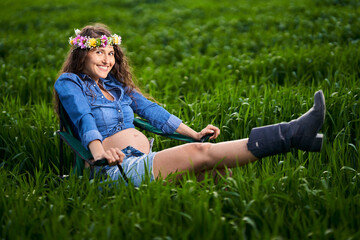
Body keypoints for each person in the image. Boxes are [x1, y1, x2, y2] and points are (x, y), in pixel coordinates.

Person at [54, 24, 325, 186]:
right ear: (82, 54)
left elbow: (153, 113)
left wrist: (194, 133)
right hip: (112, 171)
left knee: (223, 173)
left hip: (141, 161)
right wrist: (99, 154)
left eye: (110, 53)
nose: (106, 59)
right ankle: (291, 134)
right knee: (202, 153)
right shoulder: (70, 82)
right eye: (98, 51)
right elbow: (83, 118)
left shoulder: (117, 86)